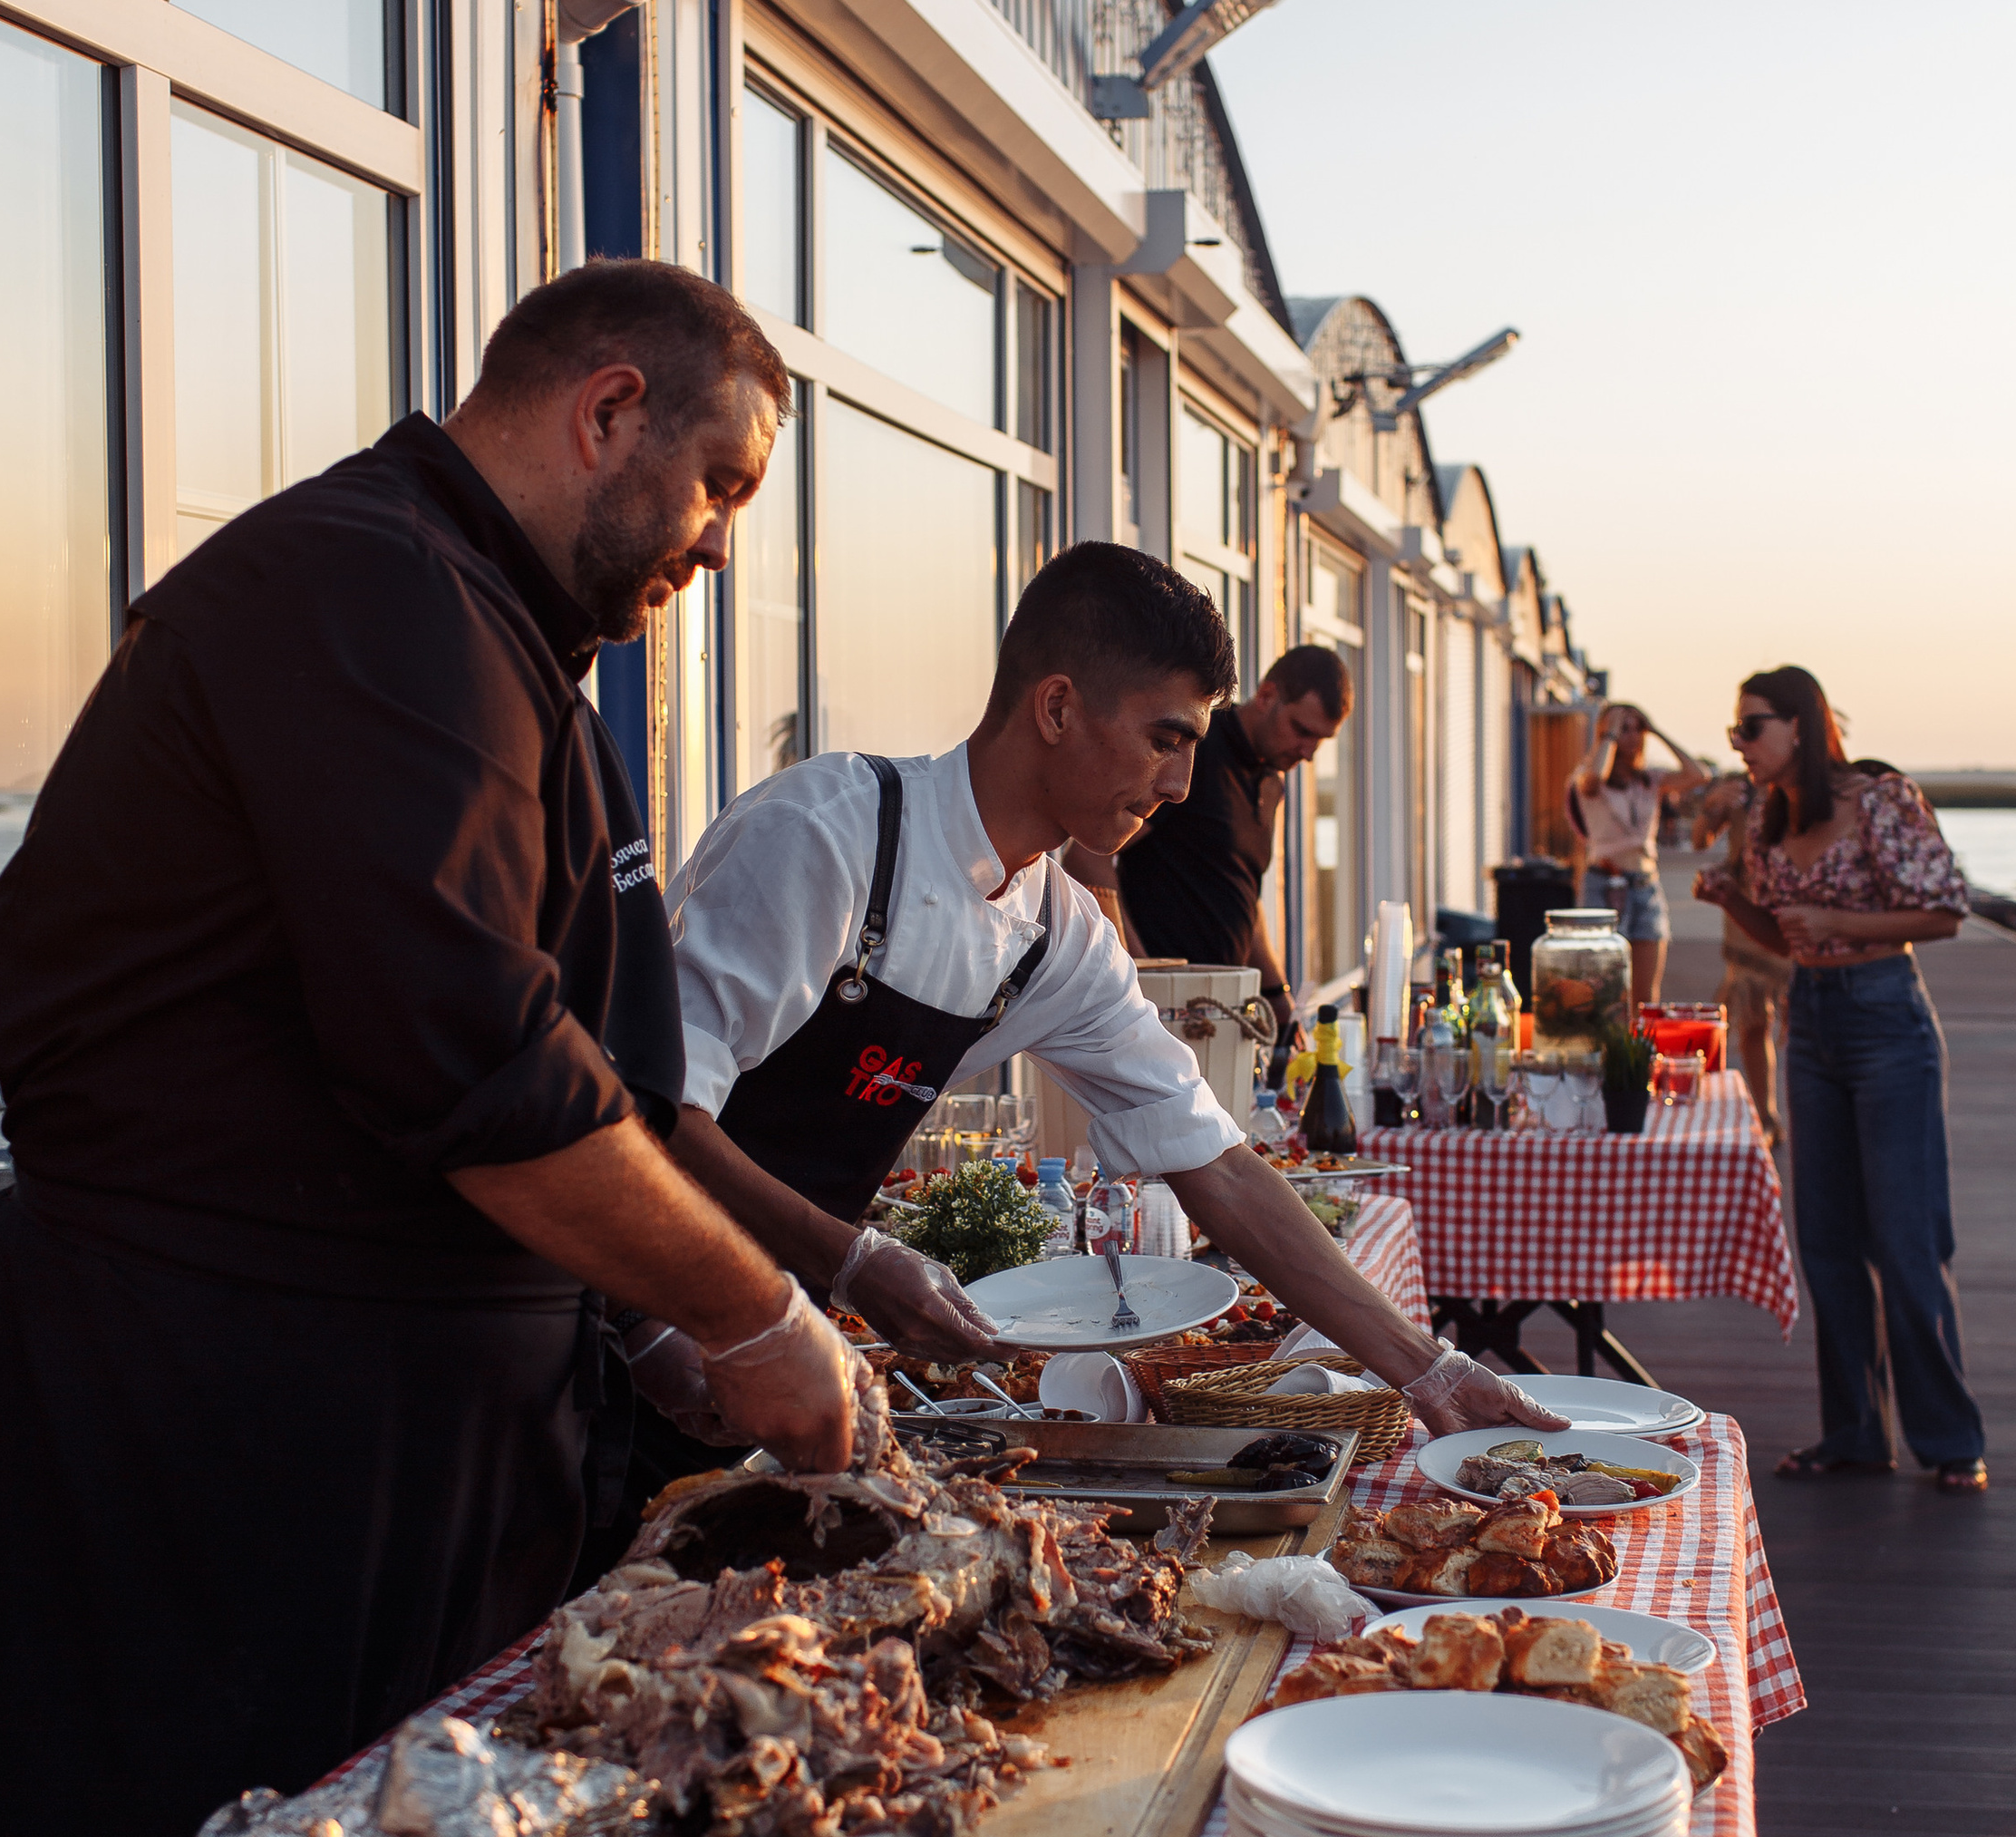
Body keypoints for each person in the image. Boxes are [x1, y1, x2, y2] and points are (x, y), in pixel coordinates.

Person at [0, 261, 866, 1837]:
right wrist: (746, 1317)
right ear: (605, 407)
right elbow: (479, 1080)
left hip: (390, 1420)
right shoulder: (361, 595)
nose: (717, 543)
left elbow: (599, 1079)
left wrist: (709, 1316)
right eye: (719, 484)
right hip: (220, 1426)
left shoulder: (486, 627)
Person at [661, 543, 1557, 1433]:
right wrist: (853, 1261)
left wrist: (1431, 1370)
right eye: (1164, 739)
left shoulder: (1058, 931)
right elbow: (655, 1110)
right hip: (631, 1311)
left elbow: (1220, 1166)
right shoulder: (827, 835)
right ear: (1056, 707)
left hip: (774, 1343)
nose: (1180, 785)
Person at [1694, 665, 1985, 1491]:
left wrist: (1836, 919)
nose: (1740, 744)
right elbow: (1787, 939)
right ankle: (1855, 1432)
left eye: (1752, 727)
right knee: (1825, 1241)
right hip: (1811, 1020)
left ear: (1801, 724)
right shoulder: (1769, 815)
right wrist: (1732, 901)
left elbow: (1945, 912)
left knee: (1906, 1240)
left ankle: (1951, 1440)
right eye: (1735, 731)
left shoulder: (1882, 799)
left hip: (1886, 1018)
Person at [1062, 643, 1351, 1049]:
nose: (1308, 753)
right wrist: (1141, 973)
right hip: (1153, 1017)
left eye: (1320, 740)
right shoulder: (1197, 751)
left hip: (1222, 1018)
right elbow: (1086, 858)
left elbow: (1241, 895)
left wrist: (1277, 996)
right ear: (1267, 695)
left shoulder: (1271, 785)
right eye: (1302, 730)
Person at [1565, 701, 1706, 1006]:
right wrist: (1610, 734)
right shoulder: (1588, 777)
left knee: (1645, 996)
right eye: (1622, 729)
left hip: (1645, 886)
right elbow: (1594, 780)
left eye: (1636, 729)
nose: (1631, 736)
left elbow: (1699, 775)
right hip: (1604, 884)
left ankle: (1639, 1039)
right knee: (1602, 991)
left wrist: (1655, 730)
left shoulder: (1649, 779)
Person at [1689, 772, 1791, 1142]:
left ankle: (1809, 1116)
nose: (1741, 746)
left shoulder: (1805, 785)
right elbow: (1700, 840)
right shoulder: (1739, 788)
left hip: (1796, 913)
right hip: (1746, 915)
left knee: (1801, 1022)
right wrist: (1712, 805)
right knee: (1753, 1019)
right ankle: (1766, 1114)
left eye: (1750, 740)